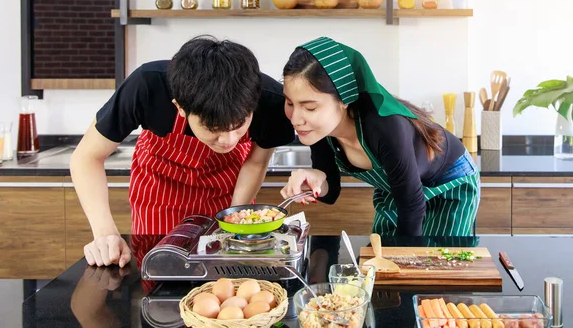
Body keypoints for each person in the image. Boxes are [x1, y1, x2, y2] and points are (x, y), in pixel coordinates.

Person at [71, 35, 295, 267]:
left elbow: (256, 163)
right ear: (180, 107)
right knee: (161, 270)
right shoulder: (148, 86)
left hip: (229, 188)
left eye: (239, 125)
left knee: (225, 276)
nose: (228, 140)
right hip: (158, 194)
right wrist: (105, 234)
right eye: (213, 129)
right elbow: (87, 157)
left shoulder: (271, 102)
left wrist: (233, 219)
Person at [280, 36, 480, 236]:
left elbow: (412, 206)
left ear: (344, 99)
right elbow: (330, 192)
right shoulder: (320, 130)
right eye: (289, 103)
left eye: (309, 107)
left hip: (449, 183)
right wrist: (316, 179)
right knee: (381, 259)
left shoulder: (385, 126)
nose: (296, 119)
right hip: (402, 192)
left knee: (435, 262)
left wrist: (406, 260)